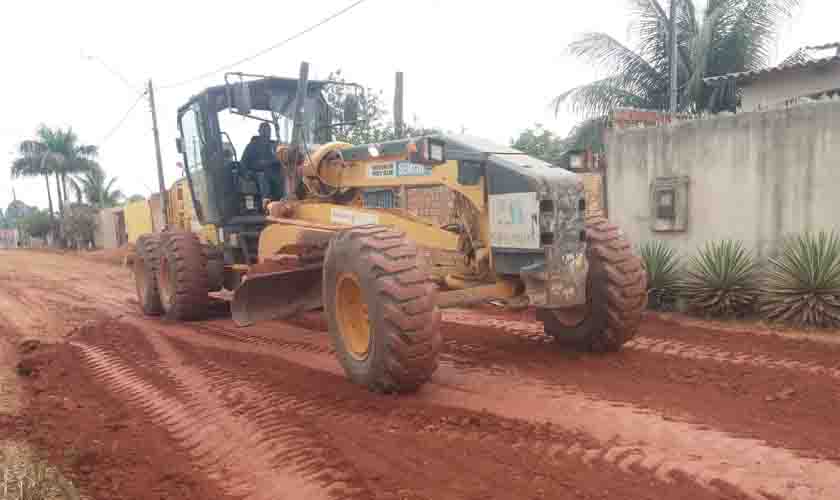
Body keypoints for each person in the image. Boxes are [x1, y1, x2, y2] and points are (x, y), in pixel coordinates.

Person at [240, 122, 284, 200]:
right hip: (256, 172)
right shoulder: (252, 145)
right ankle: (266, 203)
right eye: (264, 131)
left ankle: (284, 201)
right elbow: (243, 161)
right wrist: (246, 173)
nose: (266, 134)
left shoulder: (274, 145)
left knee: (284, 177)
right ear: (259, 131)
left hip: (272, 171)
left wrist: (274, 161)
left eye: (268, 131)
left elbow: (281, 159)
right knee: (263, 177)